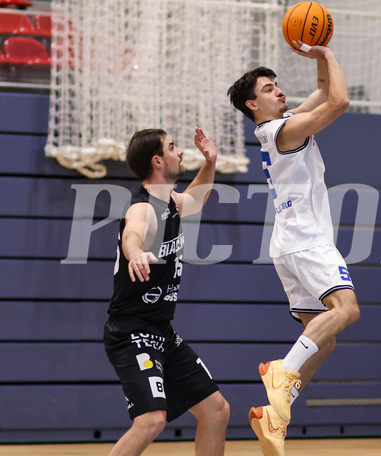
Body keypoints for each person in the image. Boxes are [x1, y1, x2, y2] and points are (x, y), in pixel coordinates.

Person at [228, 41, 359, 456]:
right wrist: (333, 56)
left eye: (277, 84)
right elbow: (339, 101)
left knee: (324, 338)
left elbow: (322, 91)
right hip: (307, 240)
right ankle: (282, 371)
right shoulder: (284, 131)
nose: (278, 91)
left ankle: (275, 415)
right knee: (347, 310)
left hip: (288, 242)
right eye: (269, 89)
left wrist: (320, 54)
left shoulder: (278, 126)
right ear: (253, 104)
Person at [104, 128, 230, 456]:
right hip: (132, 332)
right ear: (158, 161)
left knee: (216, 410)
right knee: (151, 421)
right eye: (173, 147)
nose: (180, 152)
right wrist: (135, 253)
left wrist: (211, 161)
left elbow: (195, 199)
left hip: (162, 331)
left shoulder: (170, 202)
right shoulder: (143, 209)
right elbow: (132, 233)